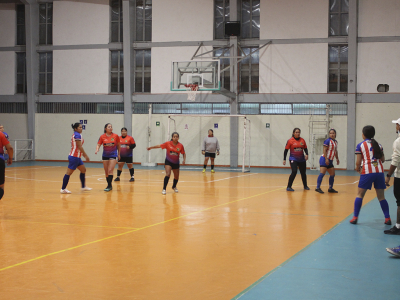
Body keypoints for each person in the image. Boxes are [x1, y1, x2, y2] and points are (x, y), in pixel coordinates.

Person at [350, 125, 391, 225]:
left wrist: (358, 168)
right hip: (379, 172)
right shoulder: (379, 145)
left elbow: (358, 162)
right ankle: (387, 218)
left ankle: (355, 217)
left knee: (360, 194)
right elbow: (383, 160)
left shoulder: (360, 145)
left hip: (367, 171)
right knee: (381, 197)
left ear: (363, 135)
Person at [60, 123, 92, 194]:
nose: (81, 128)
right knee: (69, 173)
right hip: (74, 157)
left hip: (77, 157)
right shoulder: (77, 135)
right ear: (75, 129)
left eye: (81, 127)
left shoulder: (77, 134)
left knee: (83, 170)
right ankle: (63, 188)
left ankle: (83, 186)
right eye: (79, 127)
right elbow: (79, 146)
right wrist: (85, 155)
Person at [384, 118, 400, 235]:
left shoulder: (398, 142)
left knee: (399, 201)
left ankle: (398, 227)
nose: (396, 126)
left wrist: (388, 175)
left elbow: (395, 161)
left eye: (397, 124)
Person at [95, 123, 120, 192]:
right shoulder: (102, 136)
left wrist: (119, 154)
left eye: (111, 127)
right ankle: (110, 185)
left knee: (110, 170)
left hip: (113, 155)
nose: (110, 128)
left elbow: (118, 145)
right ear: (105, 129)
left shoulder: (115, 136)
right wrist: (97, 149)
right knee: (106, 172)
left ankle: (109, 186)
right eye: (109, 127)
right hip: (105, 155)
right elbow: (98, 144)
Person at [315, 129, 340, 194]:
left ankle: (330, 188)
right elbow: (324, 150)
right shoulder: (327, 141)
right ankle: (317, 187)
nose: (332, 134)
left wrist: (337, 158)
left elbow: (335, 151)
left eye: (333, 133)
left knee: (332, 174)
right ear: (329, 134)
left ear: (335, 134)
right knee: (322, 173)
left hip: (330, 160)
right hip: (324, 159)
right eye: (330, 133)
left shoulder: (335, 142)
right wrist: (326, 159)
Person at [0, 131, 13, 200]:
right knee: (1, 186)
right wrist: (10, 158)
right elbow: (10, 148)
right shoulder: (1, 134)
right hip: (0, 160)